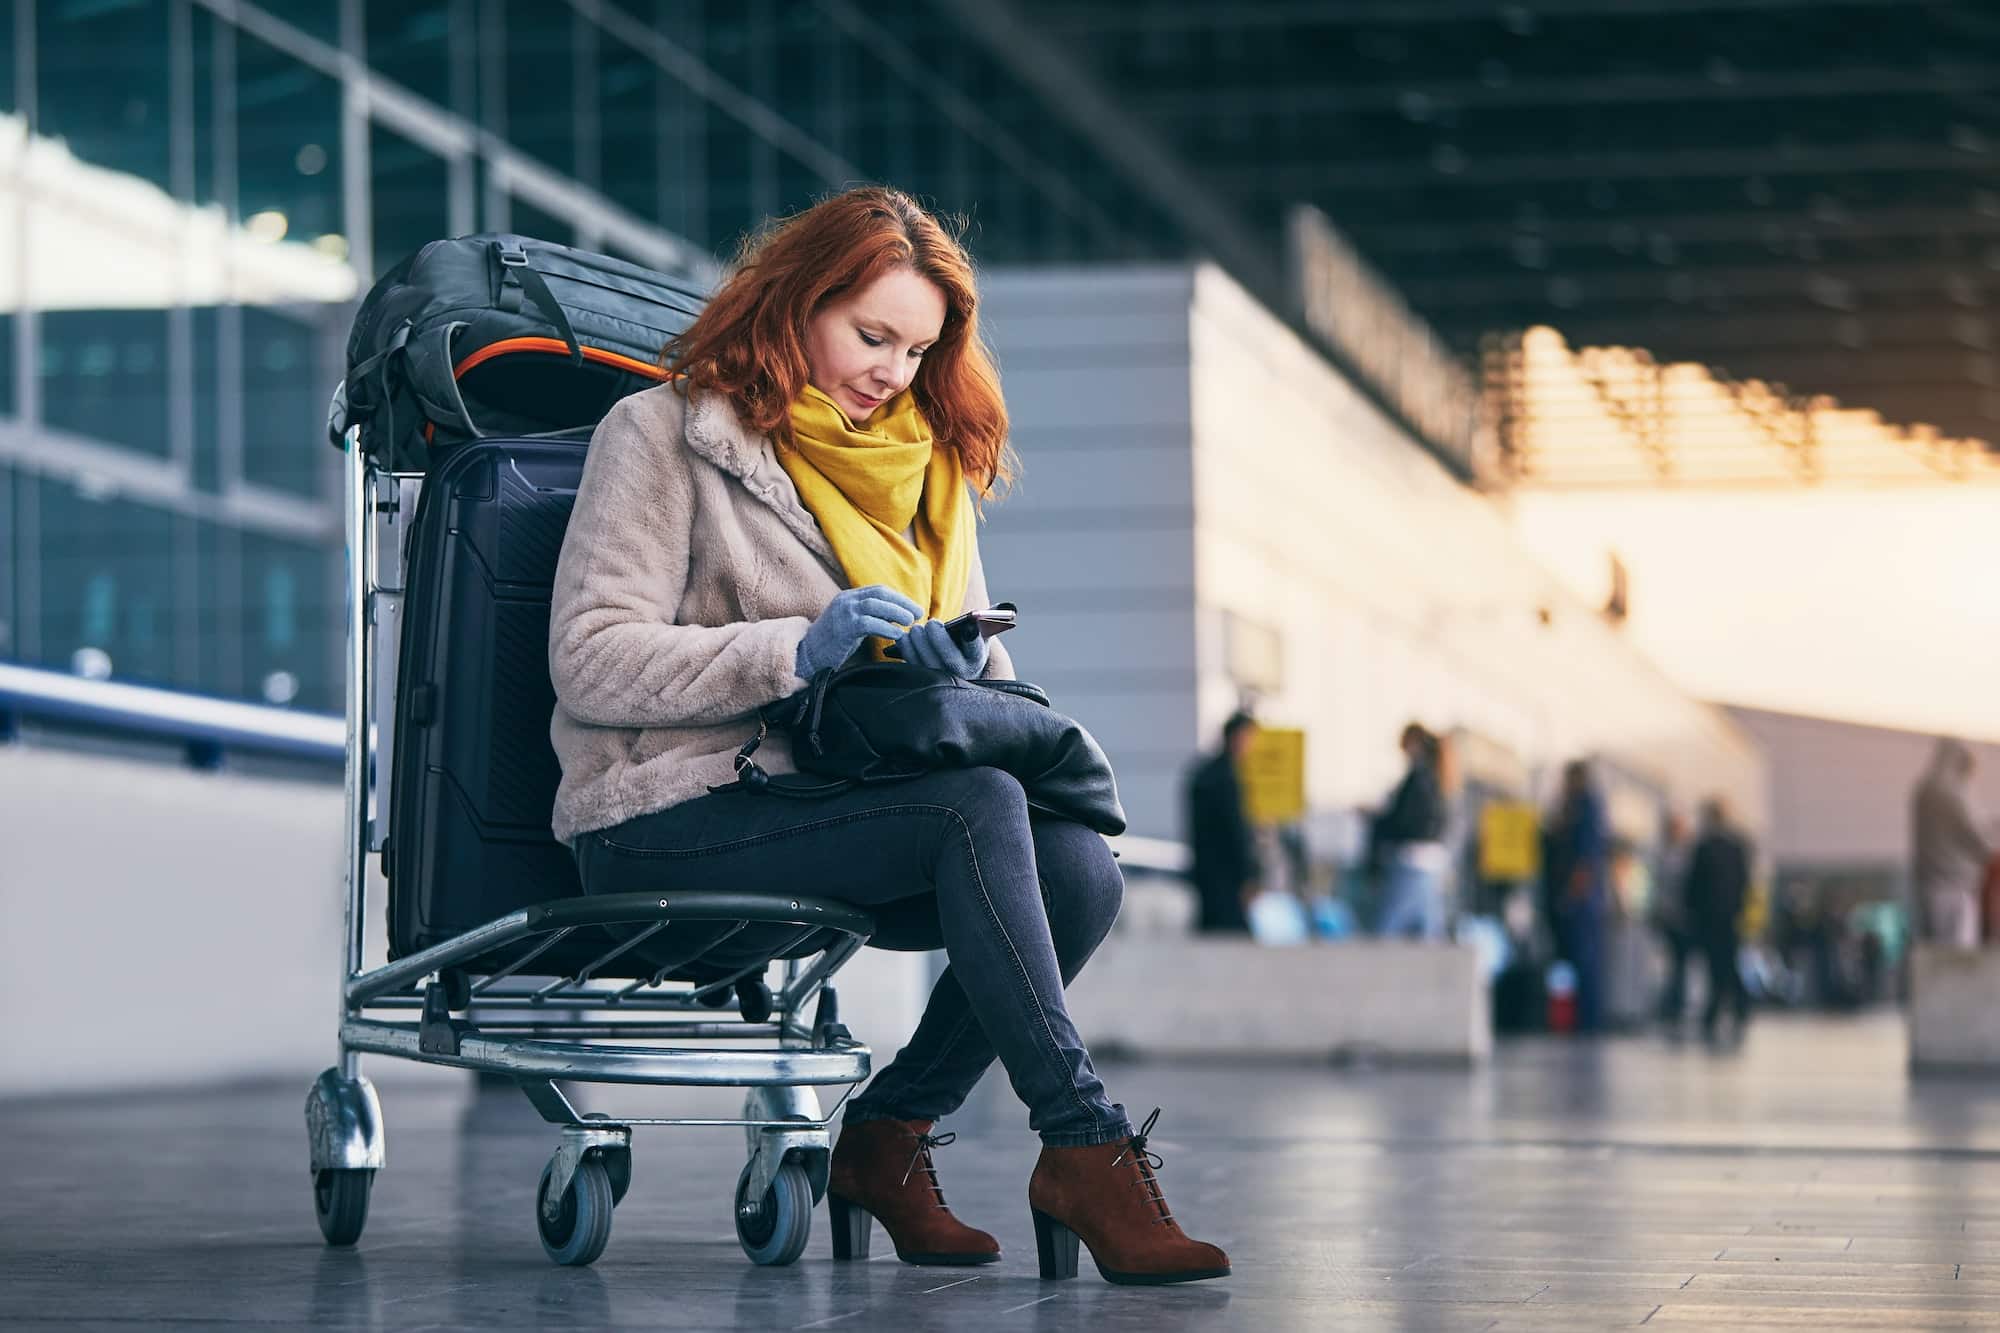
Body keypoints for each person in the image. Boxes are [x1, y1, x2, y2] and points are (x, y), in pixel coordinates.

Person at [544, 188, 1226, 1285]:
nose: (892, 372)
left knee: (1080, 871)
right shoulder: (663, 434)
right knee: (978, 807)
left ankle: (888, 1136)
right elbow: (588, 658)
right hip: (667, 808)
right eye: (871, 336)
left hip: (842, 801)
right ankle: (1083, 1146)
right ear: (795, 302)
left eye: (915, 349)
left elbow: (973, 684)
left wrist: (956, 665)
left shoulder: (931, 471)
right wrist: (797, 649)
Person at [1544, 760, 1610, 1033]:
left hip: (1580, 900)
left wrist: (1572, 894)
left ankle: (1586, 1021)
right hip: (1576, 897)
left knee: (1583, 960)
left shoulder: (1586, 807)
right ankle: (1571, 1018)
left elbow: (1586, 859)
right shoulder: (1574, 806)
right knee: (1573, 961)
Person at [1184, 711, 1260, 935]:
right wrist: (1247, 876)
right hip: (1227, 881)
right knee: (1231, 942)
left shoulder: (1203, 774)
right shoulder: (1225, 777)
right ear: (1237, 737)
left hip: (1206, 876)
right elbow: (1236, 833)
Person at [1911, 738, 1991, 949]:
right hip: (1953, 889)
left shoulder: (1924, 791)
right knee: (1955, 955)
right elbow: (1977, 839)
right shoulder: (1949, 795)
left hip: (1932, 886)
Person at [1373, 723, 1451, 939]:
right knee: (1428, 930)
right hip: (1430, 862)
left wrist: (1379, 821)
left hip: (1411, 860)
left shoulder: (1419, 778)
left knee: (1389, 928)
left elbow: (1407, 820)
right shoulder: (1435, 776)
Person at [1685, 798, 1752, 1046]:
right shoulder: (1736, 847)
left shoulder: (1704, 848)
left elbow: (1693, 887)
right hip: (1730, 918)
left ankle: (1717, 1011)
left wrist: (1692, 913)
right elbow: (1745, 883)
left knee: (1717, 966)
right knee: (1728, 964)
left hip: (1710, 920)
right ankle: (1736, 1007)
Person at [1653, 810, 1694, 1030]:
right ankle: (1670, 1003)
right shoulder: (1662, 853)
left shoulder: (1688, 854)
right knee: (1671, 964)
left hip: (1685, 918)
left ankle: (1678, 1003)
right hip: (1669, 917)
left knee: (1682, 964)